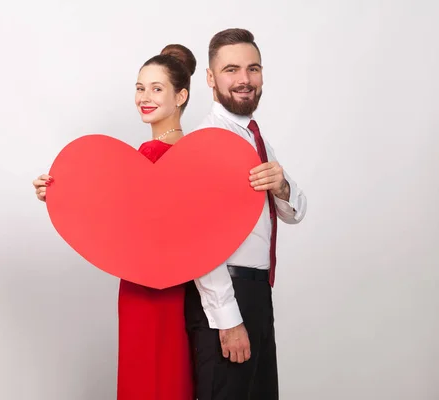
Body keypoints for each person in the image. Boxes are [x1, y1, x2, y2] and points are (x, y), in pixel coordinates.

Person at [33, 44, 197, 399]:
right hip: (179, 285)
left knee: (147, 377)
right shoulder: (192, 152)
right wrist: (62, 195)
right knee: (173, 373)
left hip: (144, 285)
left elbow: (118, 217)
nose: (144, 97)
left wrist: (62, 196)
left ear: (181, 95)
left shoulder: (152, 154)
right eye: (140, 88)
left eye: (157, 89)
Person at [184, 28, 308, 400]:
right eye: (231, 69)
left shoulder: (254, 137)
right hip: (225, 297)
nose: (244, 80)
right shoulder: (206, 143)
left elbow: (294, 212)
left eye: (253, 69)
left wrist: (282, 186)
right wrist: (228, 320)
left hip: (257, 293)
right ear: (210, 78)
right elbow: (197, 239)